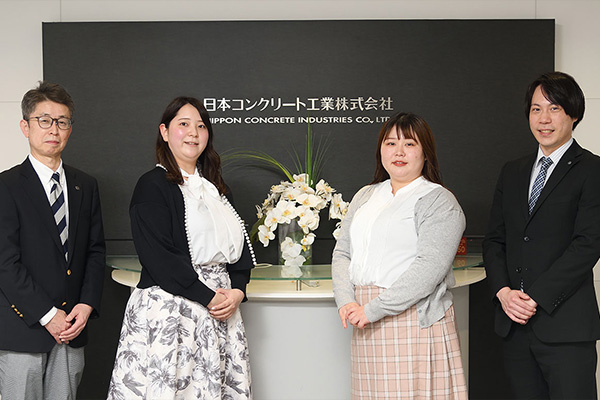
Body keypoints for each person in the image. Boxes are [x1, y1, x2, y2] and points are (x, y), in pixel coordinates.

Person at [107, 96, 255, 399]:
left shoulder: (216, 189)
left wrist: (238, 291)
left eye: (201, 126)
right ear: (164, 132)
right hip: (172, 309)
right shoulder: (152, 185)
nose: (193, 133)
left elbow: (239, 249)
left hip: (221, 309)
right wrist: (208, 297)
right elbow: (158, 257)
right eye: (183, 124)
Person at [332, 112, 468, 399]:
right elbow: (343, 251)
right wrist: (346, 300)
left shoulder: (439, 200)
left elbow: (429, 268)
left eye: (410, 144)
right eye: (391, 143)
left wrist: (372, 310)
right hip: (365, 322)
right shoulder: (366, 195)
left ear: (426, 153)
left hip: (412, 320)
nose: (399, 152)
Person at [483, 71, 600, 399]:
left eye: (554, 108)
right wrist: (504, 293)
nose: (543, 119)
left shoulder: (592, 170)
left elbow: (588, 244)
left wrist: (535, 297)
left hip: (565, 327)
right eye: (536, 109)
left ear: (573, 114)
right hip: (514, 326)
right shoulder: (513, 171)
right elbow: (495, 240)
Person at [0, 81, 106, 399]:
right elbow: (5, 263)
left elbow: (95, 251)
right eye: (44, 120)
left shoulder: (85, 185)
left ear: (70, 129)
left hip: (72, 327)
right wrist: (48, 314)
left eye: (62, 122)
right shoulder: (6, 186)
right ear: (26, 126)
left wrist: (86, 305)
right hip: (23, 329)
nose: (53, 129)